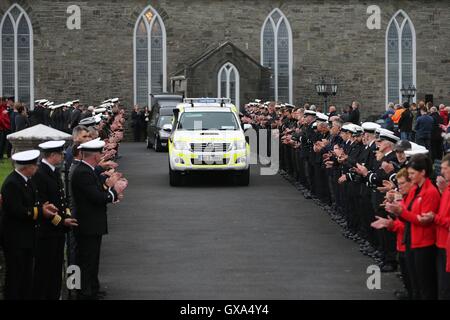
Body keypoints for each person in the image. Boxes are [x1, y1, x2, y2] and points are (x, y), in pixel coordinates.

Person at [71, 139, 126, 300]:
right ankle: (86, 292)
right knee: (87, 258)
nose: (101, 156)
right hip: (87, 223)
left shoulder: (88, 171)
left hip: (92, 222)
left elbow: (98, 190)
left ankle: (93, 288)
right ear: (95, 156)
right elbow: (96, 197)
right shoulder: (83, 172)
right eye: (100, 153)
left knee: (93, 258)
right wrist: (114, 192)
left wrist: (110, 190)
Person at [0, 150, 58, 300]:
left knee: (27, 276)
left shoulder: (28, 181)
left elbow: (35, 202)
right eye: (34, 165)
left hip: (28, 238)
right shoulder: (12, 184)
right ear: (26, 167)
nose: (37, 168)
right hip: (15, 239)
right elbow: (17, 211)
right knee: (15, 277)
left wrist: (43, 207)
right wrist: (41, 211)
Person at [386, 153, 440, 300]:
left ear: (422, 172)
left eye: (412, 173)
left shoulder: (430, 192)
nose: (410, 177)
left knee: (425, 288)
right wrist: (395, 214)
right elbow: (408, 213)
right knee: (415, 286)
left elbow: (422, 220)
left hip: (424, 244)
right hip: (412, 241)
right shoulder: (416, 190)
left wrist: (400, 211)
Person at [32, 141, 78, 300]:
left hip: (57, 231)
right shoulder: (40, 174)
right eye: (60, 154)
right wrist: (61, 221)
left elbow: (61, 201)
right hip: (47, 232)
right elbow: (44, 205)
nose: (63, 157)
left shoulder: (53, 171)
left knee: (55, 270)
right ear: (52, 155)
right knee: (45, 272)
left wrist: (67, 216)